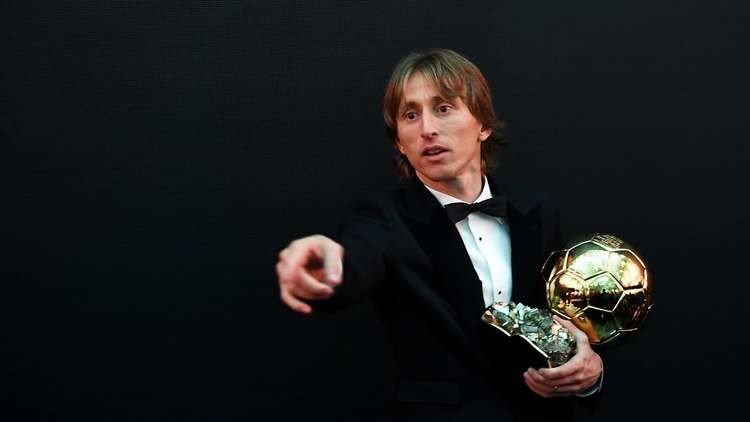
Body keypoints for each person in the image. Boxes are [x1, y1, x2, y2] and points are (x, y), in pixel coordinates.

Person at [275, 49, 603, 421]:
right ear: (399, 141)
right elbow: (357, 258)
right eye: (410, 115)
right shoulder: (385, 217)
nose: (427, 128)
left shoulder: (538, 213)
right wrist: (326, 265)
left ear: (483, 125)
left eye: (443, 108)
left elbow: (569, 322)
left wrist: (589, 371)